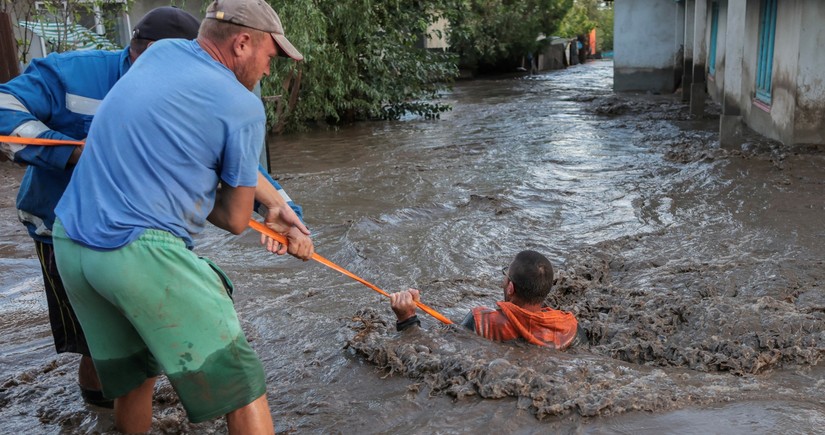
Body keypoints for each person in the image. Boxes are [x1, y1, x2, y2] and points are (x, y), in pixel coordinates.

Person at [52, 0, 308, 432]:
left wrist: (277, 205)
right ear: (243, 43)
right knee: (242, 384)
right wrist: (271, 217)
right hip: (137, 253)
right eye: (271, 56)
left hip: (72, 245)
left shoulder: (159, 55)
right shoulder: (242, 107)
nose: (269, 70)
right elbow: (233, 218)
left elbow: (169, 151)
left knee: (136, 379)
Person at [0, 6, 202, 408]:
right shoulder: (72, 73)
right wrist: (74, 153)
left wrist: (282, 210)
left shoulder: (189, 90)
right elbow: (4, 107)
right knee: (95, 341)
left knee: (149, 332)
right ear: (140, 54)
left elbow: (232, 165)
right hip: (61, 229)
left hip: (145, 233)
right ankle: (100, 414)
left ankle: (125, 406)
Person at [390, 250, 583, 350]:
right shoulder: (570, 328)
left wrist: (407, 319)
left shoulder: (480, 322)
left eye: (505, 274)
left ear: (510, 287)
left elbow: (432, 353)